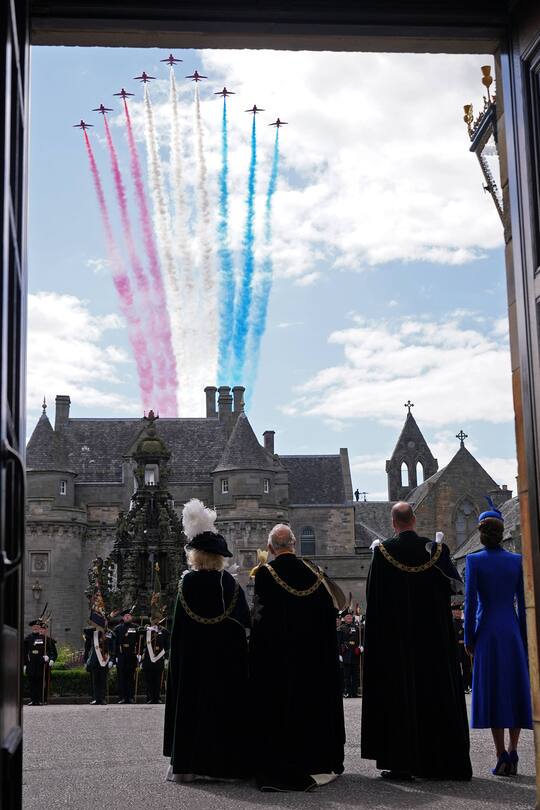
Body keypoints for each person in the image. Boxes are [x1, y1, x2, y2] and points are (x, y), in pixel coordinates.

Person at [361, 502, 472, 781]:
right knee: (434, 693)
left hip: (395, 642)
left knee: (399, 696)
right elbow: (454, 589)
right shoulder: (436, 551)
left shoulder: (382, 553)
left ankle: (401, 762)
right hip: (432, 640)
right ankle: (440, 761)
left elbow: (374, 601)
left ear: (393, 521)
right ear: (414, 519)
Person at [250, 524, 345, 792]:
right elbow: (328, 619)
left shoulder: (266, 574)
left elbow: (260, 621)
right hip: (313, 662)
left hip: (279, 662)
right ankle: (316, 758)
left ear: (270, 548)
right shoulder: (315, 573)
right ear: (294, 544)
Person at [163, 499, 251, 782]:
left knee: (191, 708)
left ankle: (188, 765)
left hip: (193, 662)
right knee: (224, 710)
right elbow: (243, 625)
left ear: (196, 556)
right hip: (225, 664)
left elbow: (177, 630)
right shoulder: (230, 585)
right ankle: (226, 766)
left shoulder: (186, 584)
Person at [464, 499, 533, 776]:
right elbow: (524, 603)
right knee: (514, 688)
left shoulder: (474, 560)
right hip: (512, 630)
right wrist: (526, 640)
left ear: (481, 534)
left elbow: (469, 605)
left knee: (494, 691)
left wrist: (469, 639)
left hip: (488, 632)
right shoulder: (517, 561)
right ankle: (514, 751)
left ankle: (500, 753)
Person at [24, 619, 57, 706]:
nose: (35, 628)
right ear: (32, 628)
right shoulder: (28, 638)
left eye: (37, 627)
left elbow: (51, 651)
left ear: (39, 628)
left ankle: (39, 700)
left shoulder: (45, 639)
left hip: (41, 664)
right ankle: (32, 700)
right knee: (31, 682)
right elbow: (24, 652)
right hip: (31, 663)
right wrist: (24, 664)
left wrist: (49, 658)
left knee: (40, 682)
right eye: (34, 627)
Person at [113, 608, 140, 704]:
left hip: (132, 655)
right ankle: (123, 697)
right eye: (125, 616)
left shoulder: (136, 628)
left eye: (129, 615)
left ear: (131, 617)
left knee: (131, 678)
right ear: (123, 618)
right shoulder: (118, 628)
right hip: (121, 656)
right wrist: (115, 656)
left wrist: (139, 654)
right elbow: (114, 643)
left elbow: (140, 641)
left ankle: (131, 697)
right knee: (122, 678)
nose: (127, 617)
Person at [140, 620, 170, 704]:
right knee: (148, 680)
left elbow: (167, 645)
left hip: (159, 658)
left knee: (158, 680)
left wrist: (166, 656)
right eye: (153, 619)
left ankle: (157, 698)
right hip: (148, 659)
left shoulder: (164, 631)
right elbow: (140, 637)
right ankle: (149, 697)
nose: (155, 621)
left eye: (157, 618)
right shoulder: (147, 630)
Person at [83, 624, 114, 705]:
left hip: (104, 659)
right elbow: (85, 631)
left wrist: (112, 659)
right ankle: (96, 698)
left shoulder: (108, 633)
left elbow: (112, 646)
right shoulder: (93, 633)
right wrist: (95, 627)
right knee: (95, 681)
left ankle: (103, 699)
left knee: (103, 680)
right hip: (94, 660)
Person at [339, 612, 360, 697]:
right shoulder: (341, 628)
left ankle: (354, 692)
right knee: (346, 675)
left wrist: (361, 646)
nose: (349, 618)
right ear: (344, 618)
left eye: (351, 616)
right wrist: (339, 654)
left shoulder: (356, 627)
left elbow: (359, 639)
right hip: (346, 654)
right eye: (347, 616)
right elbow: (339, 642)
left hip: (355, 653)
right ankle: (347, 691)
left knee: (355, 675)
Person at [452, 603, 472, 693]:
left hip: (464, 648)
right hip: (456, 648)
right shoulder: (452, 623)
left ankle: (466, 686)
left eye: (460, 611)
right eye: (456, 611)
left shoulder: (464, 622)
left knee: (467, 667)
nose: (458, 613)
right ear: (453, 612)